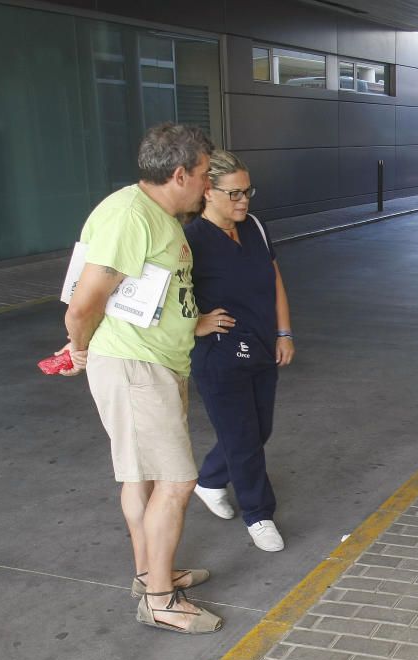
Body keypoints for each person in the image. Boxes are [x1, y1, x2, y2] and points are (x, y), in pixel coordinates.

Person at [59, 122, 222, 634]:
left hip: (154, 361)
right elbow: (83, 302)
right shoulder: (130, 216)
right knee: (177, 480)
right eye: (203, 176)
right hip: (134, 367)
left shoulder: (152, 213)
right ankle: (159, 599)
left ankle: (151, 572)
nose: (208, 186)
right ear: (178, 175)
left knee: (142, 476)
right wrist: (78, 348)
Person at [185, 150, 294, 552]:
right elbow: (160, 296)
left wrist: (284, 332)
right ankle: (259, 514)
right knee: (244, 436)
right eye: (233, 194)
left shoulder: (255, 228)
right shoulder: (190, 241)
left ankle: (211, 479)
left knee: (258, 429)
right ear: (207, 192)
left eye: (247, 191)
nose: (243, 201)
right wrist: (195, 322)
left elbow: (275, 281)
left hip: (263, 344)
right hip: (217, 354)